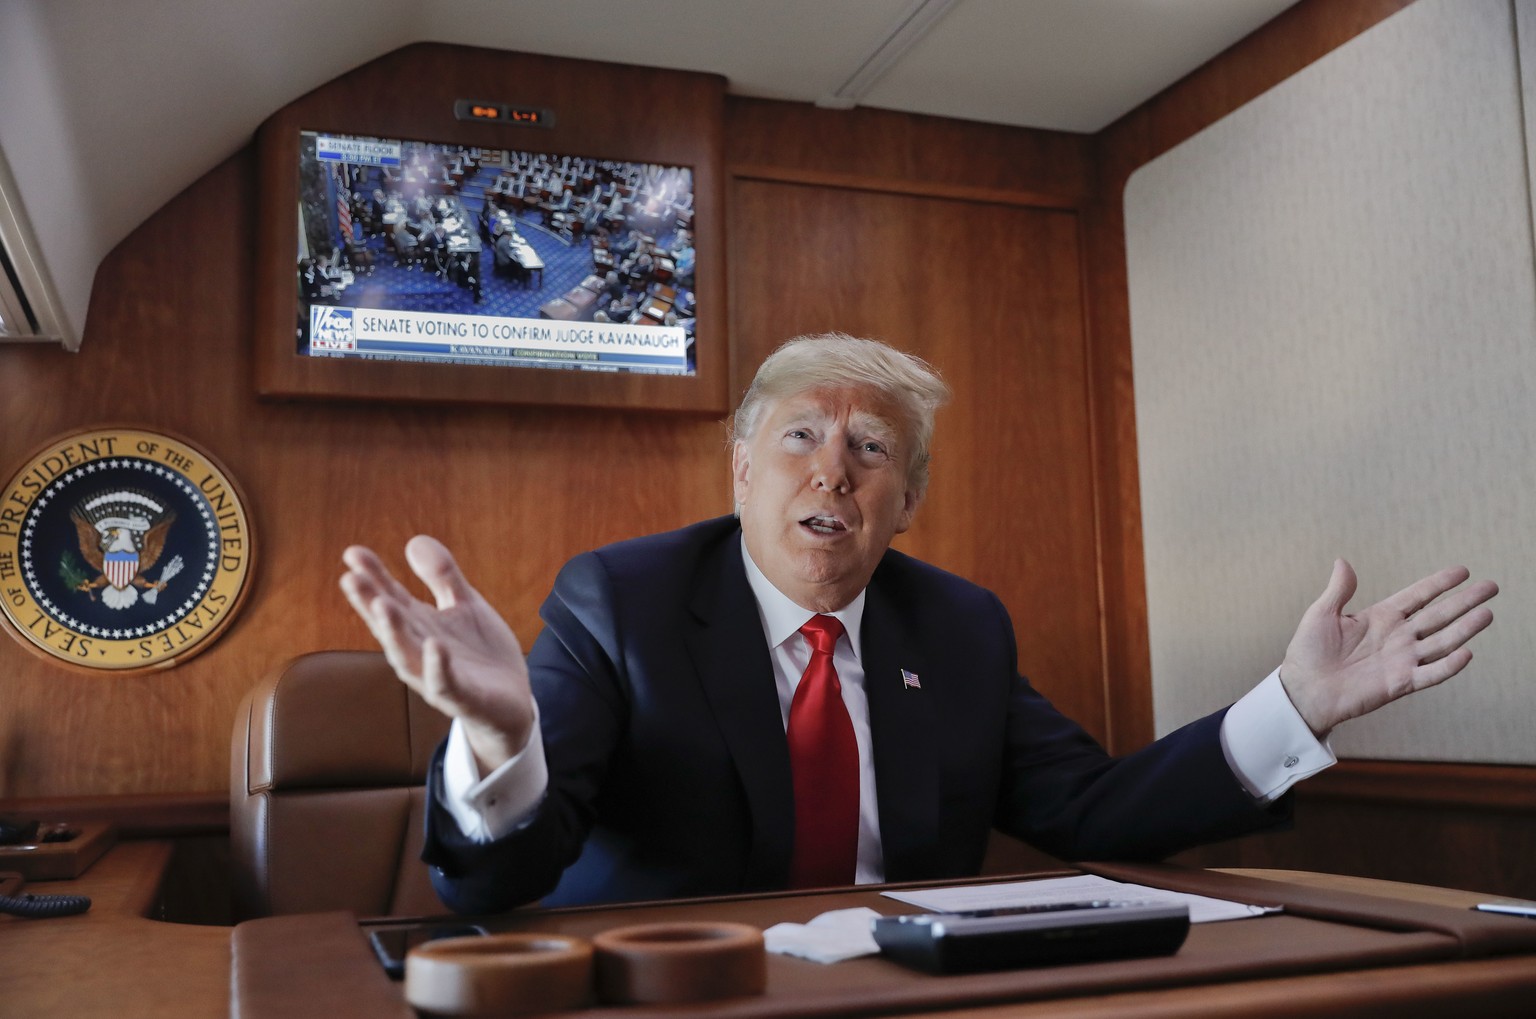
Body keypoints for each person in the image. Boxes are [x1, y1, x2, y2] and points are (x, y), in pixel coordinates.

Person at [340, 334, 1497, 914]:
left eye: (871, 449)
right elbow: (494, 888)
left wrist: (1294, 705)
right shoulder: (621, 600)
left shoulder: (959, 627)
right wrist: (499, 741)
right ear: (742, 468)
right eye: (799, 437)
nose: (832, 472)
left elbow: (1092, 810)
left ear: (907, 503)